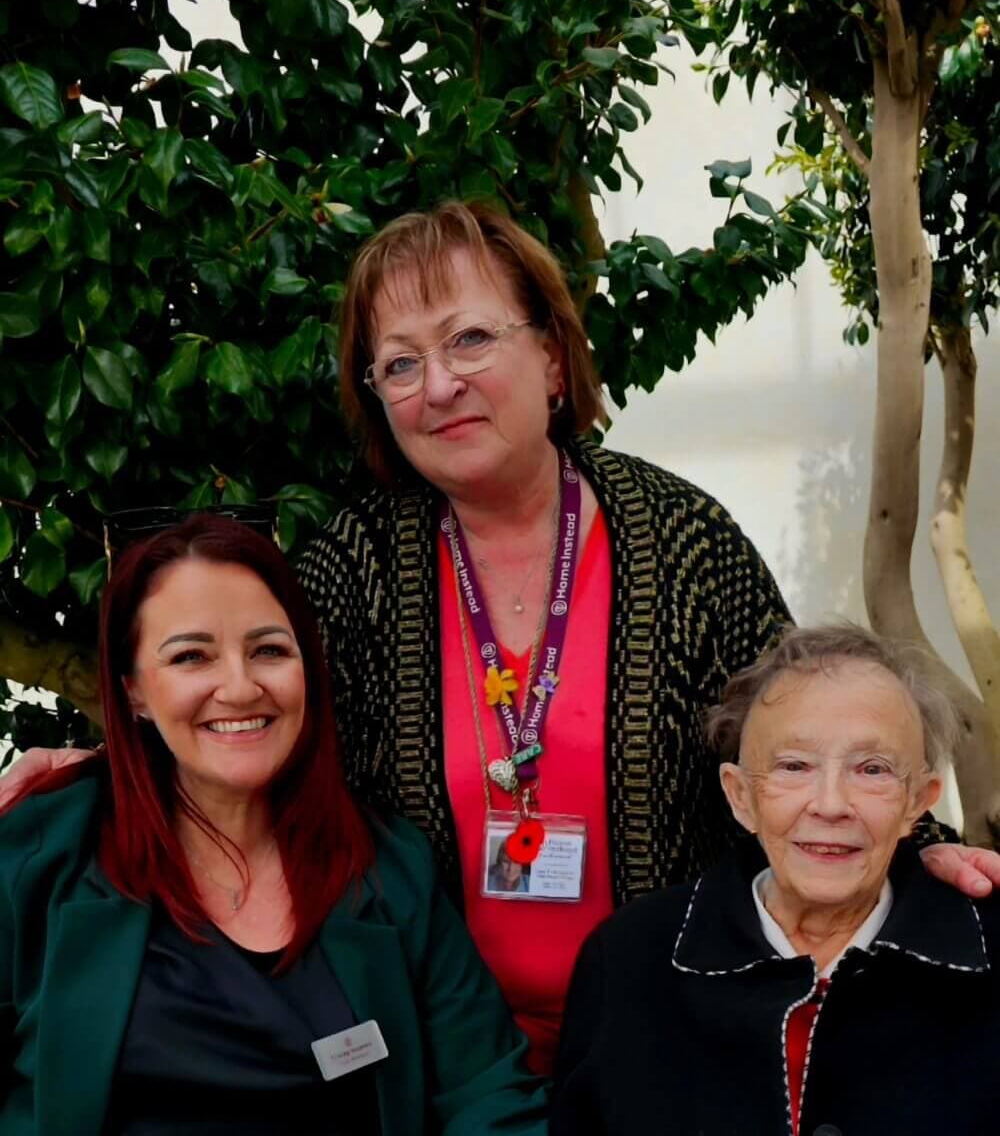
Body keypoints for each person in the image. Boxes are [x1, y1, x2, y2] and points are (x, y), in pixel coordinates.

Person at [5, 201, 1000, 1073]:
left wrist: (916, 843)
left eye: (469, 339)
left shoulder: (681, 539)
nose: (437, 385)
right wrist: (108, 764)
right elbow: (254, 719)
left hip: (676, 1024)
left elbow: (800, 739)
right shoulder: (357, 560)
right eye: (400, 363)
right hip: (432, 1041)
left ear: (552, 358)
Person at [0, 515, 547, 1136]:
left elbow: (490, 1094)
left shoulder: (390, 869)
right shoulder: (40, 851)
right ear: (133, 693)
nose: (239, 686)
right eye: (190, 656)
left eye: (268, 650)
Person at [551, 624, 1000, 1136]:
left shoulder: (986, 952)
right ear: (741, 796)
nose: (830, 805)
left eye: (872, 769)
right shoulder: (631, 958)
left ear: (918, 802)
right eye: (793, 766)